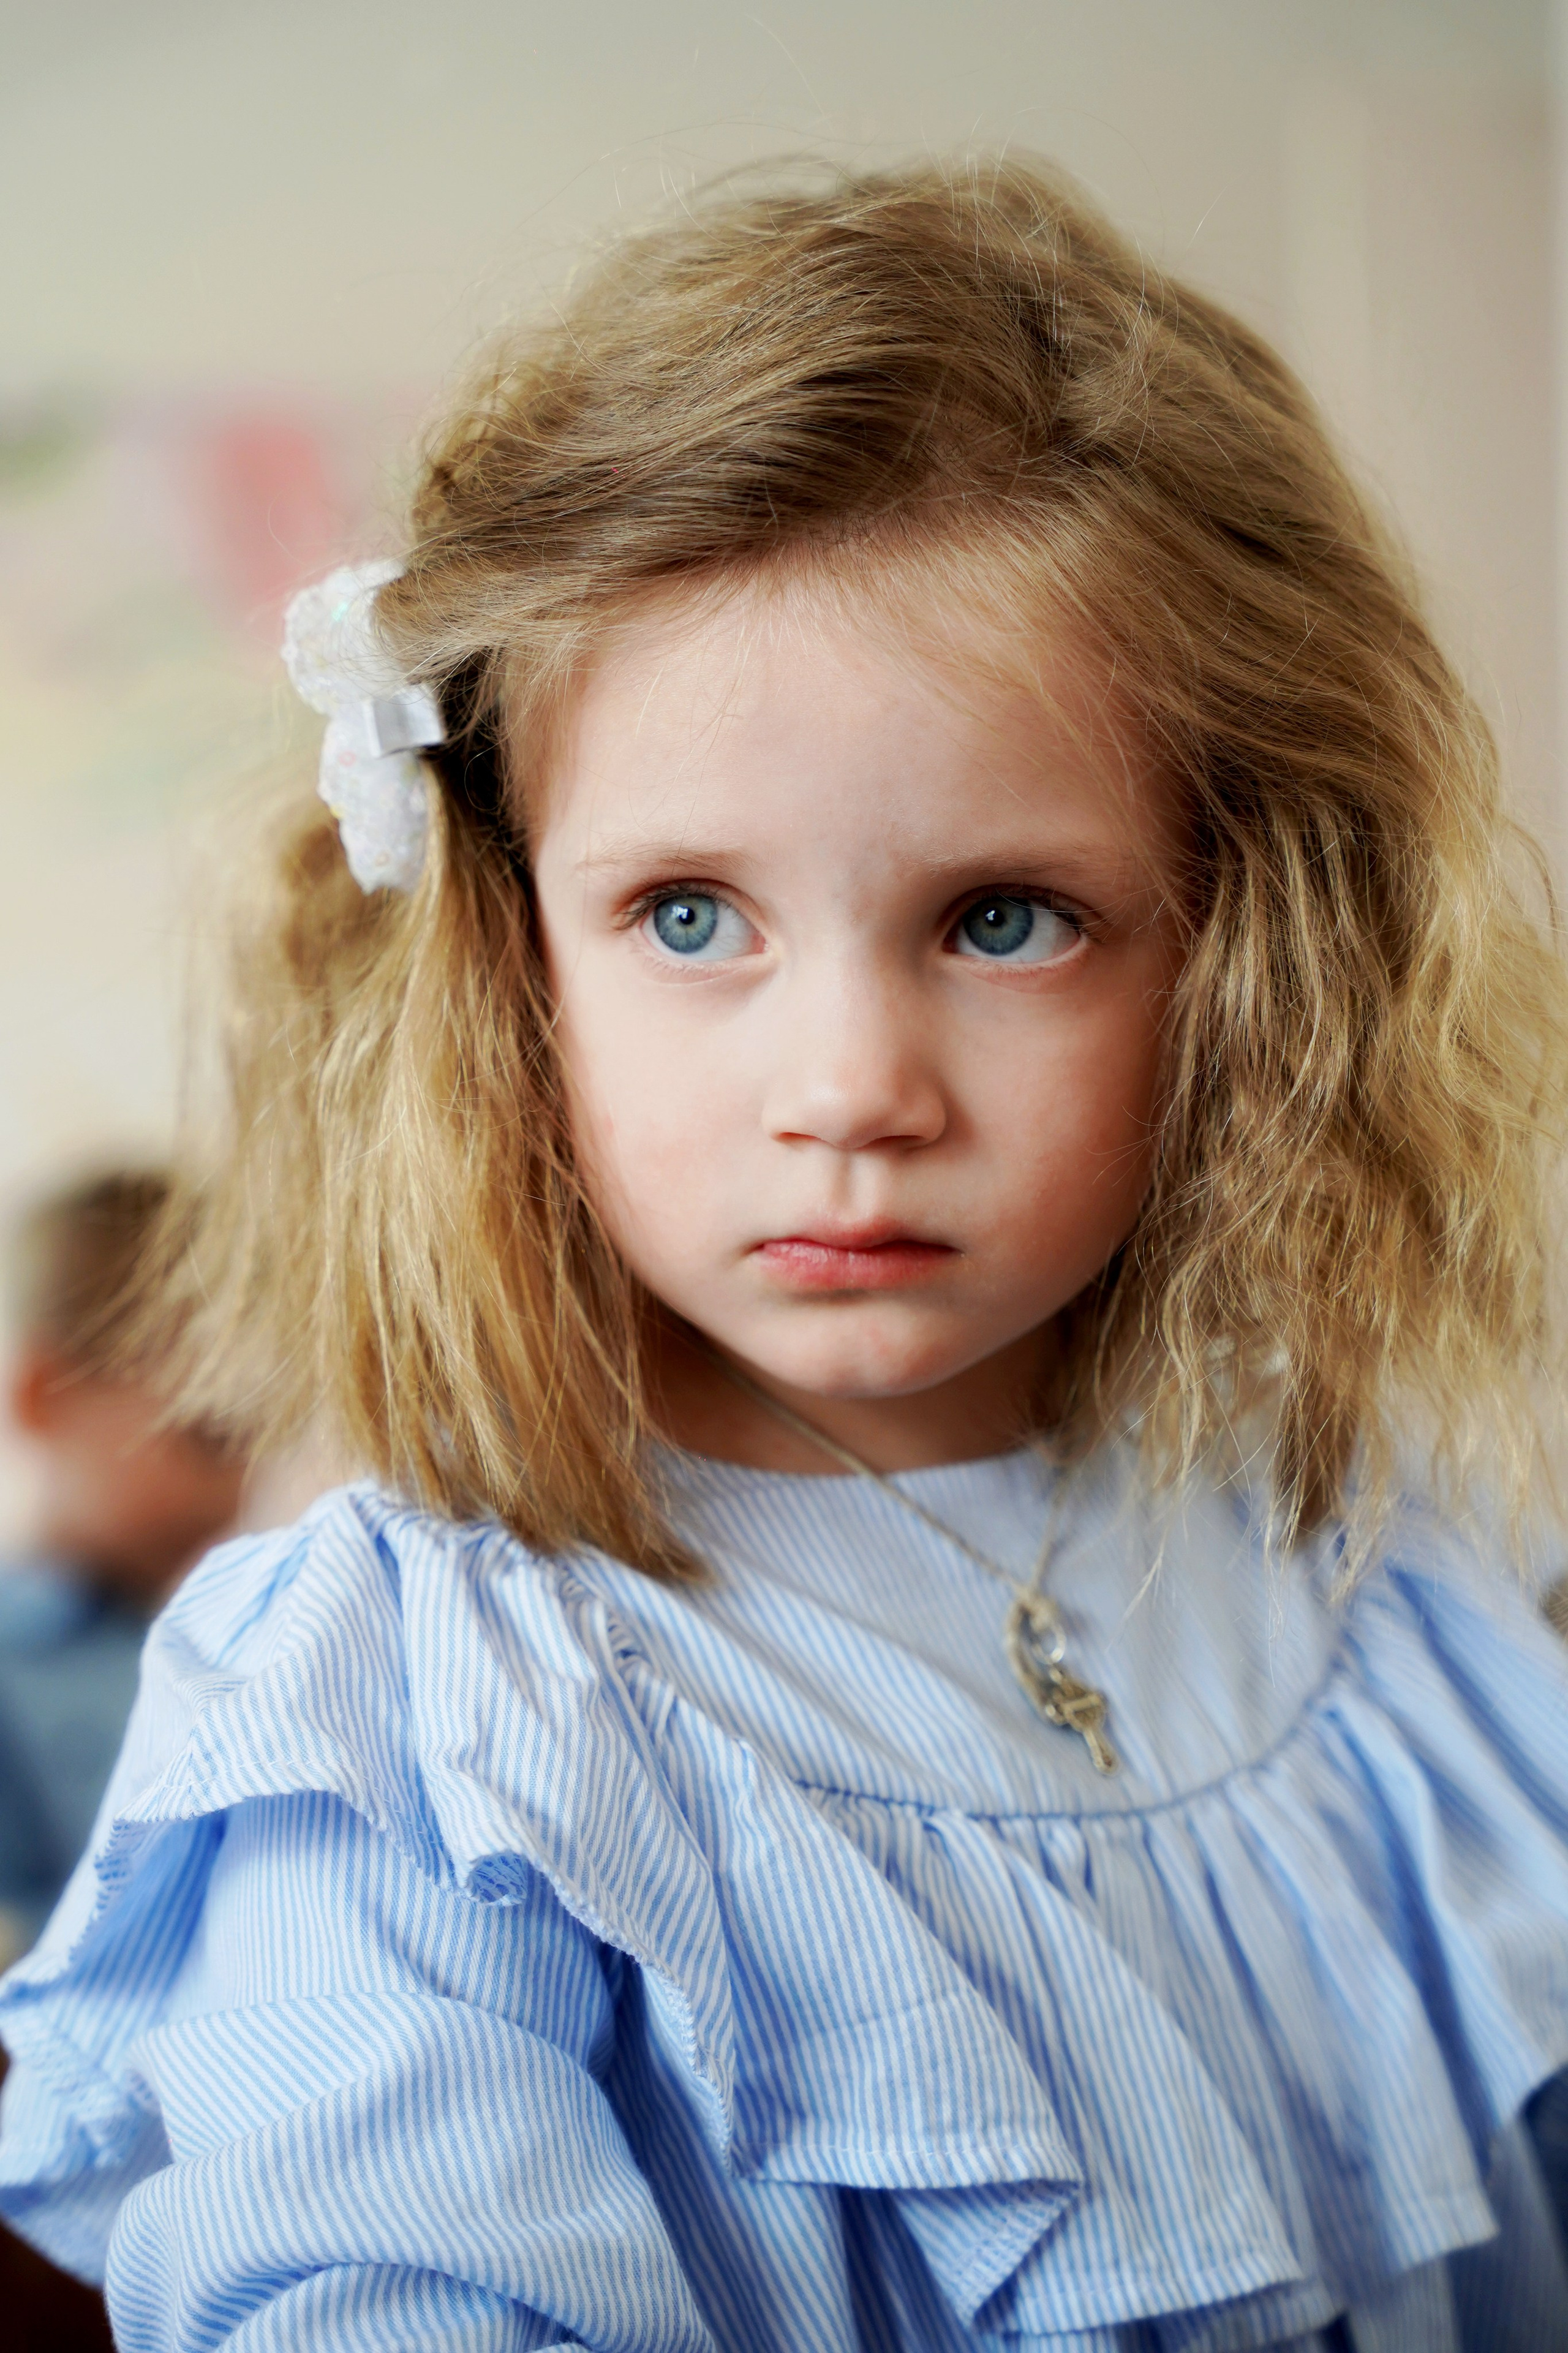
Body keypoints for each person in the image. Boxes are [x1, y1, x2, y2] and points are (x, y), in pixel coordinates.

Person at [1, 159, 1566, 2352]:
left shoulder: (1365, 1567)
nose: (851, 1086)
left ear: (1241, 958)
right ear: (506, 957)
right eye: (690, 918)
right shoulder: (413, 1704)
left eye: (1004, 916)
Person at [0, 1171, 244, 1965]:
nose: (239, 1482)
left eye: (258, 1431)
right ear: (43, 1394)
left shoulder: (246, 1640)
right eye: (208, 1435)